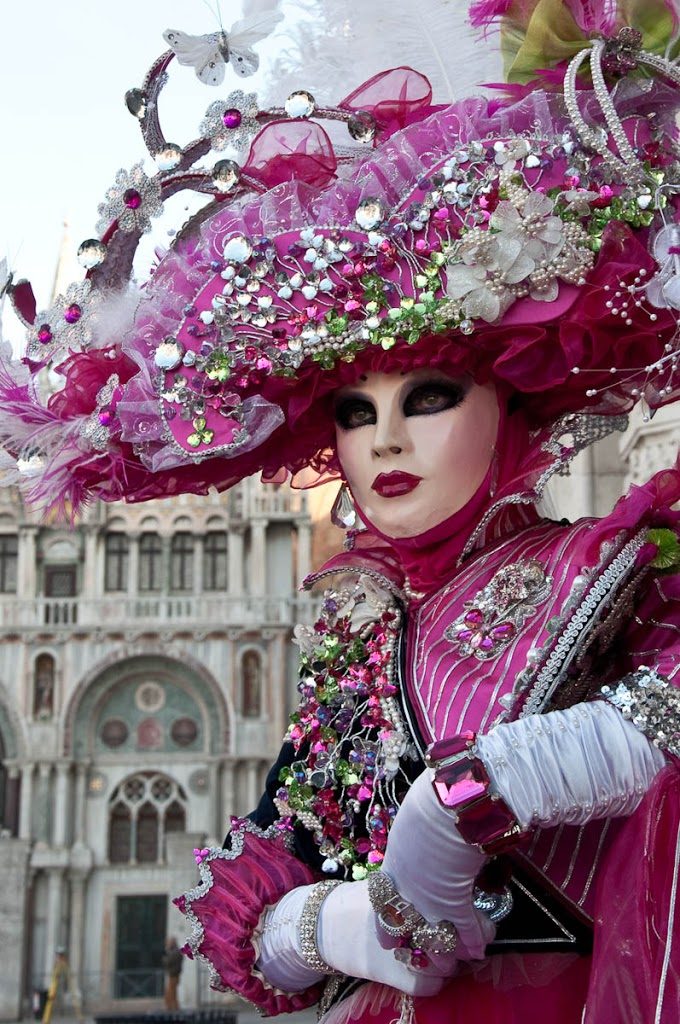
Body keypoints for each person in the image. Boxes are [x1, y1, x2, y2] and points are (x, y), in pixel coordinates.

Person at [1, 2, 679, 1022]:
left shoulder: (616, 566)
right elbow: (273, 886)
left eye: (429, 398)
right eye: (356, 414)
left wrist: (471, 792)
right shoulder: (351, 632)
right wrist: (326, 924)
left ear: (511, 398)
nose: (386, 442)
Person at [162, 937, 183, 1011]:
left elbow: (168, 961)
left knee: (171, 992)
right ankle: (173, 1007)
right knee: (172, 992)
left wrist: (165, 957)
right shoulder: (176, 951)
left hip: (174, 974)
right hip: (174, 974)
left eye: (168, 942)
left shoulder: (174, 952)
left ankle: (172, 1007)